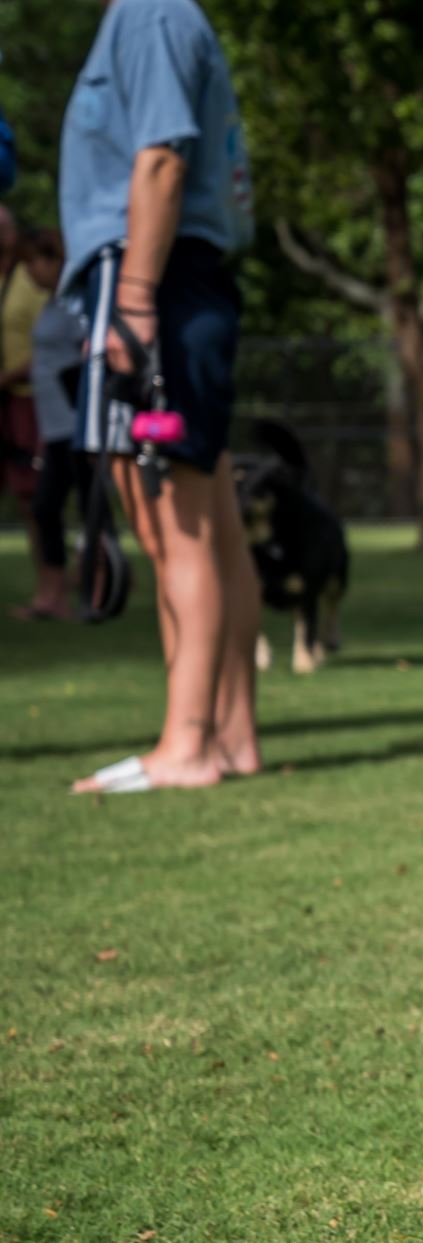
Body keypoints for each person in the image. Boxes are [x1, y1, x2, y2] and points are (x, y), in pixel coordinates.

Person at [61, 0, 262, 794]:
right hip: (177, 278)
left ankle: (187, 744)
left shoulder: (149, 13)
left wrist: (134, 299)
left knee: (171, 526)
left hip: (151, 278)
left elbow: (161, 160)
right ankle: (232, 735)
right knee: (212, 526)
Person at [7, 225, 77, 621]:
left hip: (75, 425)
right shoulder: (51, 304)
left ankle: (97, 592)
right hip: (52, 426)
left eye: (34, 262)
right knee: (47, 508)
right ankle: (54, 596)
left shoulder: (74, 304)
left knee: (77, 505)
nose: (30, 272)